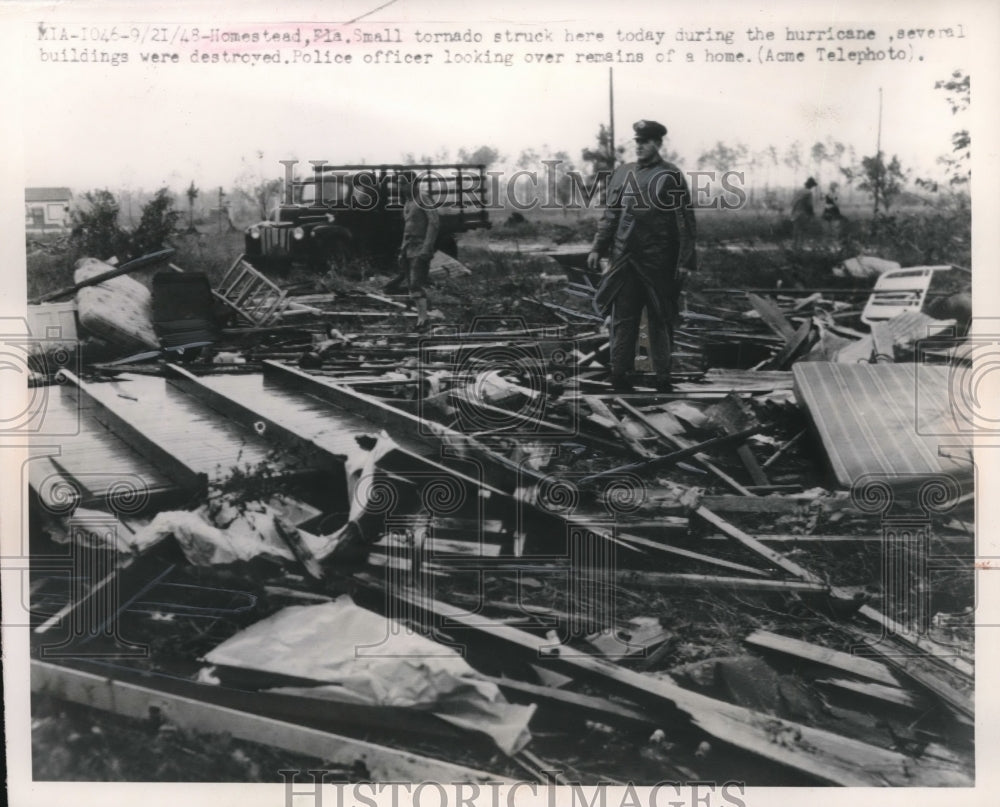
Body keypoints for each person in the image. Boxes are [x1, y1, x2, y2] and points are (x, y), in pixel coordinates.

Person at [587, 119, 697, 392]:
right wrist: (597, 247)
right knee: (623, 321)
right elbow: (611, 215)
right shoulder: (622, 174)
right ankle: (619, 376)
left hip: (659, 263)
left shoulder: (670, 175)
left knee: (660, 320)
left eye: (645, 142)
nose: (639, 147)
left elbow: (685, 221)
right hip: (625, 261)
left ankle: (663, 379)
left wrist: (685, 261)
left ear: (658, 144)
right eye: (636, 142)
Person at [397, 174, 440, 331]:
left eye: (403, 184)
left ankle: (423, 319)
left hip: (421, 245)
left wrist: (427, 247)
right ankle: (422, 317)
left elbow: (434, 223)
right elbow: (406, 230)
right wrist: (402, 250)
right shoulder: (407, 202)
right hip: (408, 247)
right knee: (411, 284)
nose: (400, 187)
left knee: (416, 282)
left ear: (414, 184)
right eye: (399, 184)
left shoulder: (423, 198)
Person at [790, 176, 818, 248]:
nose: (812, 187)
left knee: (795, 231)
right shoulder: (808, 193)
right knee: (802, 231)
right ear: (811, 185)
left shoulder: (799, 191)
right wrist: (812, 214)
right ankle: (800, 247)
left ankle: (793, 246)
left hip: (795, 213)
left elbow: (792, 202)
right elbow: (809, 205)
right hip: (803, 214)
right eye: (812, 186)